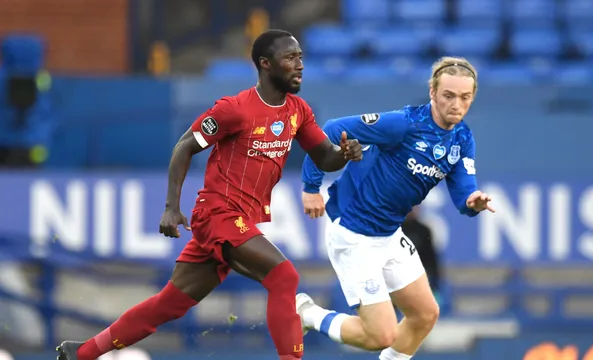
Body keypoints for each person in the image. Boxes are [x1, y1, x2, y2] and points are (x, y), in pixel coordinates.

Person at [56, 29, 363, 360]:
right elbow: (185, 146)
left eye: (301, 57)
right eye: (290, 58)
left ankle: (84, 353)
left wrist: (344, 153)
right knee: (284, 275)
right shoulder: (236, 109)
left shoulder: (297, 110)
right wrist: (171, 207)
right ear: (265, 64)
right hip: (218, 215)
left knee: (169, 304)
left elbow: (324, 156)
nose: (300, 65)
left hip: (236, 220)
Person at [296, 56, 495, 360]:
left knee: (425, 315)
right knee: (381, 334)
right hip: (354, 233)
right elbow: (333, 129)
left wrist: (473, 203)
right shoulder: (404, 124)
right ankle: (308, 314)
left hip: (389, 234)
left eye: (465, 97)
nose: (457, 104)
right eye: (449, 95)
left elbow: (463, 193)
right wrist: (311, 187)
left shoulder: (462, 138)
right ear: (432, 91)